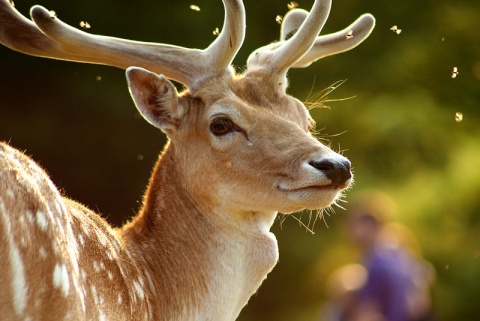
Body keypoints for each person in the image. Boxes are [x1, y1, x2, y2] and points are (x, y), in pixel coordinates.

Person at [344, 190, 436, 321]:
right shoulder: (397, 257)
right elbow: (419, 305)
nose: (349, 229)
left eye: (354, 223)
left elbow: (369, 315)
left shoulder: (377, 264)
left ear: (369, 225)